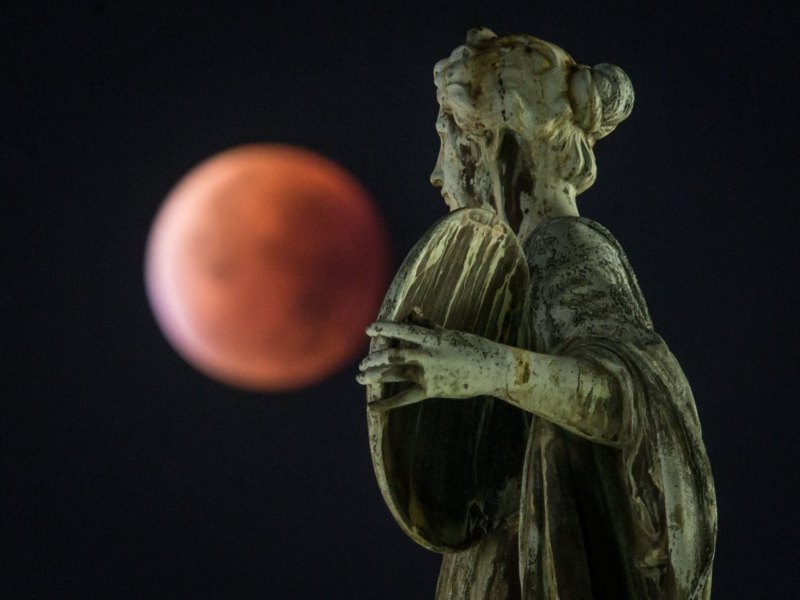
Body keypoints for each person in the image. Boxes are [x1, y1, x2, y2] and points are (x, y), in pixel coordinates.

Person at [357, 28, 716, 599]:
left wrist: (490, 369)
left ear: (495, 148)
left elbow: (628, 395)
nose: (436, 174)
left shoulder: (561, 246)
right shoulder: (526, 260)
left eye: (447, 143)